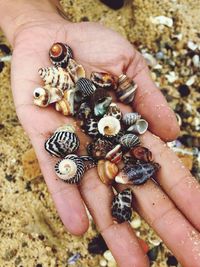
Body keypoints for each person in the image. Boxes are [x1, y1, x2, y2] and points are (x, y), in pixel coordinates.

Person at [0, 1, 199, 266]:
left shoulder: (105, 123)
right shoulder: (85, 106)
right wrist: (30, 22)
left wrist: (35, 19)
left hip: (106, 132)